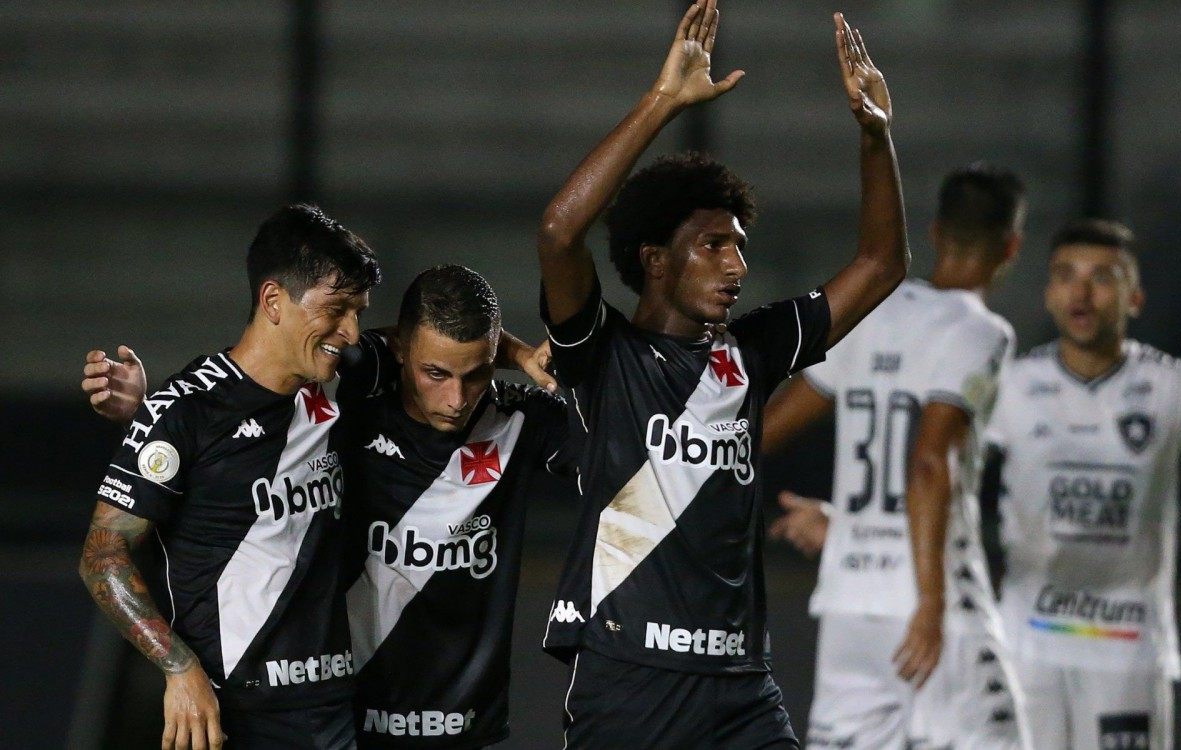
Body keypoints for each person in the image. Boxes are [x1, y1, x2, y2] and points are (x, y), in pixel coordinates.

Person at [535, 1, 908, 746]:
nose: (737, 265)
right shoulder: (601, 355)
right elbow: (559, 229)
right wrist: (663, 102)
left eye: (739, 246)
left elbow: (882, 266)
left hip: (741, 689)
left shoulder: (753, 352)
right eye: (713, 245)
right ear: (654, 259)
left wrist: (875, 137)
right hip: (630, 682)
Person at [80, 209, 549, 749]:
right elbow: (103, 556)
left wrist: (515, 354)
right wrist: (178, 668)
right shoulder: (185, 412)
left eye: (357, 312)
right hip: (229, 706)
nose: (350, 331)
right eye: (336, 310)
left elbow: (427, 341)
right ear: (274, 300)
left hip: (327, 708)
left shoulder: (344, 375)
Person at [764, 164, 1030, 749]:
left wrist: (847, 521)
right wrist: (931, 601)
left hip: (849, 605)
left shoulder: (869, 315)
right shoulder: (983, 333)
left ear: (935, 233)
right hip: (929, 606)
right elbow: (930, 464)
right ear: (1011, 246)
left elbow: (759, 433)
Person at [985, 219, 1181, 750]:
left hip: (1128, 646)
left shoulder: (1176, 387)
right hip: (1027, 646)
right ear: (1049, 294)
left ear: (1135, 297)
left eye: (1102, 277)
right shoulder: (1011, 385)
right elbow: (937, 477)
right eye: (1065, 276)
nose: (1081, 291)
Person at [340, 265, 570, 748]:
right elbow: (321, 347)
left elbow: (631, 454)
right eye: (435, 373)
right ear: (400, 349)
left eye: (476, 374)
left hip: (464, 730)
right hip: (345, 722)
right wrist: (513, 350)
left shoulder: (519, 421)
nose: (456, 398)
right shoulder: (352, 407)